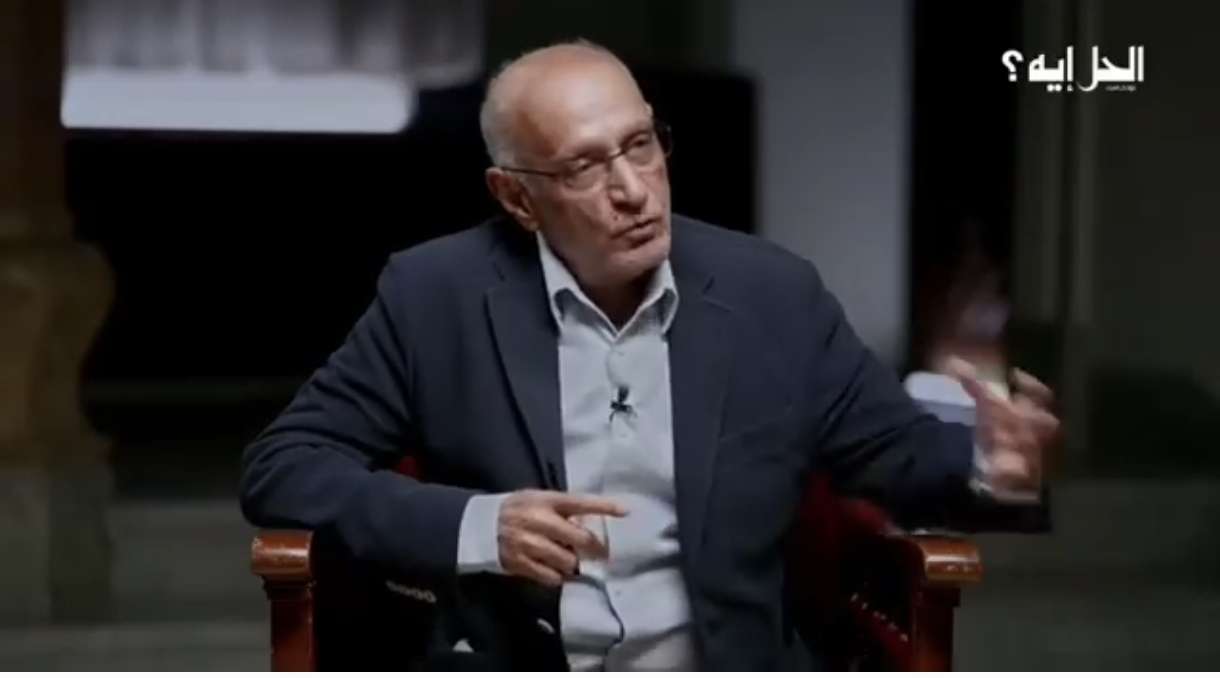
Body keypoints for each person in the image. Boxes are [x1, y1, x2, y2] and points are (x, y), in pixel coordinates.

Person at [240, 41, 1059, 670]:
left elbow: (896, 453)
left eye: (641, 146)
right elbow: (283, 465)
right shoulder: (436, 297)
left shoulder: (771, 294)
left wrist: (994, 464)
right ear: (516, 196)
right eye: (585, 167)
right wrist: (477, 526)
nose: (633, 190)